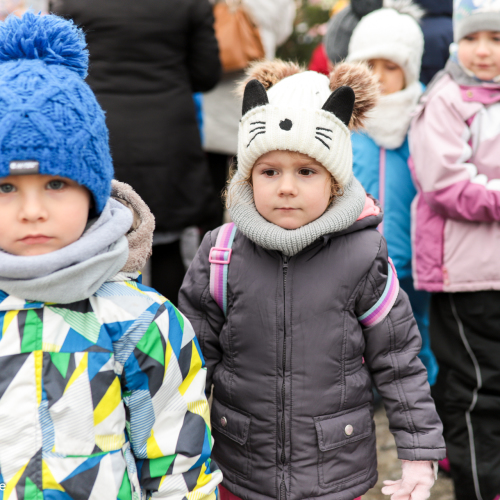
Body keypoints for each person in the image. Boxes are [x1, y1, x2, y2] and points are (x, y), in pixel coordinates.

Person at [179, 59, 445, 500]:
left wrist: (418, 453)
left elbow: (398, 362)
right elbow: (188, 364)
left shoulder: (363, 256)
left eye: (305, 171)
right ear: (247, 177)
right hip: (238, 469)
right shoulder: (222, 253)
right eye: (269, 171)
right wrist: (176, 453)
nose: (286, 187)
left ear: (334, 182)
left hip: (335, 471)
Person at [0, 13, 222, 499]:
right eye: (6, 187)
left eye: (56, 183)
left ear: (95, 191)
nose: (31, 211)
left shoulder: (140, 322)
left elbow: (176, 464)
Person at [50, 0, 222, 306]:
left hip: (101, 130)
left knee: (99, 242)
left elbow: (61, 68)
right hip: (167, 132)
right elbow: (206, 73)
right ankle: (169, 338)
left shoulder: (72, 2)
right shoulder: (190, 4)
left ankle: (104, 338)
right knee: (168, 245)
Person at [410, 1, 500, 498]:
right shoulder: (446, 99)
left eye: (496, 39)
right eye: (472, 38)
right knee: (477, 390)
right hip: (466, 273)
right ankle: (479, 485)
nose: (483, 51)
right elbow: (445, 182)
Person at [346, 1, 438, 386]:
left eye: (391, 67)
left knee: (418, 325)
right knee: (362, 328)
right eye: (370, 67)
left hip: (416, 253)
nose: (380, 78)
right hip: (359, 257)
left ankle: (426, 384)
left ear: (410, 69)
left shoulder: (426, 116)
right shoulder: (345, 124)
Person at [203, 0, 296, 229]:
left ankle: (213, 241)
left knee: (213, 183)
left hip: (214, 90)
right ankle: (248, 237)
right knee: (254, 171)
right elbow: (283, 30)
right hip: (256, 86)